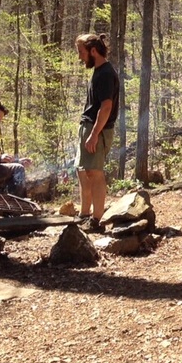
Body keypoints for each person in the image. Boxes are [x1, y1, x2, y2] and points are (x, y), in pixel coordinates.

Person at [74, 32, 120, 230]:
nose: (80, 57)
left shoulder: (106, 73)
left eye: (81, 52)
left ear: (93, 51)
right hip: (89, 126)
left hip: (97, 129)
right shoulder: (99, 71)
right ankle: (85, 214)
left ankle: (96, 220)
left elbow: (107, 107)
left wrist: (94, 134)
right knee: (84, 172)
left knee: (95, 173)